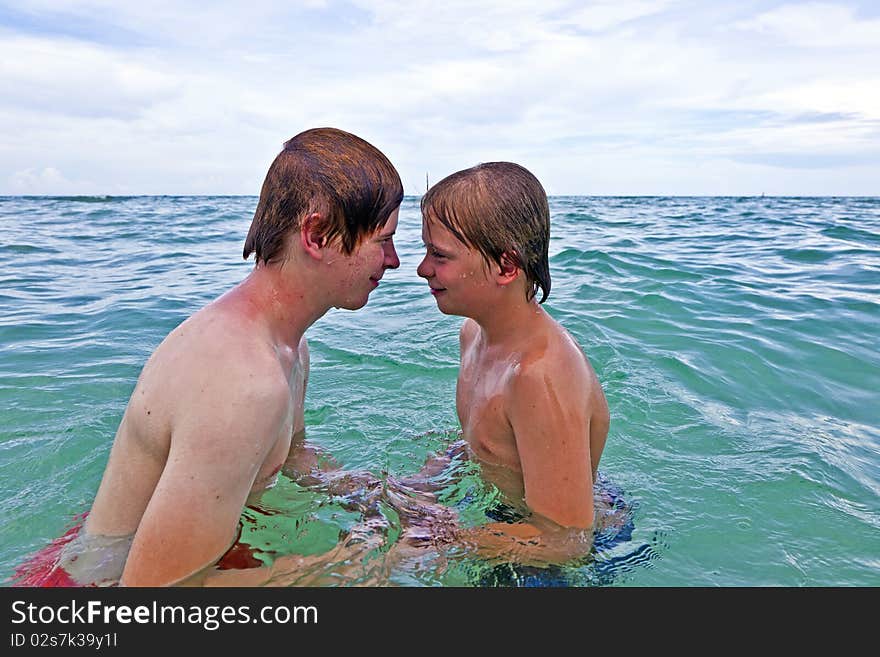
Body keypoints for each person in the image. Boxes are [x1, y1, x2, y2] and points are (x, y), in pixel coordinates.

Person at [15, 127, 403, 587]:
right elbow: (158, 596)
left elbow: (293, 457)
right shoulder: (242, 381)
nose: (395, 261)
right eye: (382, 241)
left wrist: (381, 498)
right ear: (316, 234)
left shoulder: (289, 347)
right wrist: (366, 560)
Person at [409, 161, 612, 567]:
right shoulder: (473, 334)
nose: (422, 269)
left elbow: (567, 541)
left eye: (439, 255)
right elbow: (488, 440)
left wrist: (435, 540)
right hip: (509, 519)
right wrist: (420, 486)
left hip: (561, 555)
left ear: (506, 266)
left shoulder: (540, 376)